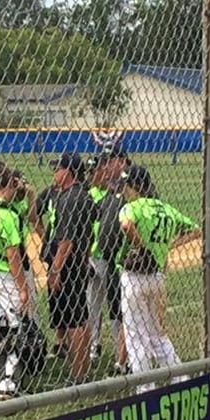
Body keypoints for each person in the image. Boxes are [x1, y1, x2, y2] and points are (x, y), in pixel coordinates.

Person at [118, 165, 201, 381]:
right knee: (158, 334)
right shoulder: (166, 209)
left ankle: (144, 387)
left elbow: (126, 225)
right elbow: (196, 230)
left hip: (134, 278)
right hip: (157, 277)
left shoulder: (132, 207)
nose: (125, 189)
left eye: (127, 185)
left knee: (136, 336)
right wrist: (170, 246)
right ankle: (180, 379)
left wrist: (141, 245)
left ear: (135, 186)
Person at [0, 164, 39, 398]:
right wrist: (23, 287)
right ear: (7, 185)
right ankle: (9, 381)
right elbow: (13, 254)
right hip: (7, 276)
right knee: (15, 328)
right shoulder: (5, 215)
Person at [44, 152, 98, 383]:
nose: (55, 173)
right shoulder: (85, 196)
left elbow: (66, 241)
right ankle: (82, 370)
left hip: (67, 267)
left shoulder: (70, 199)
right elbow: (90, 226)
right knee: (81, 317)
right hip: (79, 263)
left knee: (75, 321)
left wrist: (56, 270)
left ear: (68, 172)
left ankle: (78, 375)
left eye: (58, 168)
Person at [87, 150, 130, 364]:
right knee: (100, 305)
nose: (106, 167)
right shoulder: (108, 189)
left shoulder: (132, 183)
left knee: (119, 308)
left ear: (121, 162)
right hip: (100, 255)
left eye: (109, 162)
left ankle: (123, 356)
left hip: (120, 258)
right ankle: (103, 349)